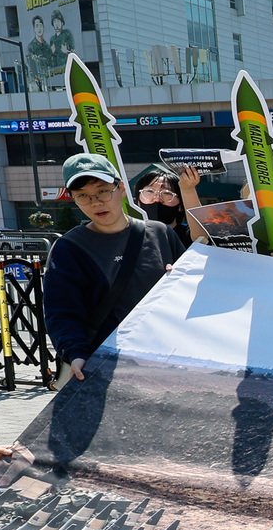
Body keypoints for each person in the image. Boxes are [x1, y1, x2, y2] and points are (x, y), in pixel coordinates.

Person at [43, 154, 184, 382]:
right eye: (83, 196)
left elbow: (192, 292)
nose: (96, 202)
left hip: (164, 361)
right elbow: (61, 312)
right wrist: (76, 353)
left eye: (102, 191)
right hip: (103, 366)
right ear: (73, 199)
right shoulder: (69, 248)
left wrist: (179, 281)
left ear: (120, 188)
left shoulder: (160, 234)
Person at [133, 168, 192, 248]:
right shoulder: (130, 235)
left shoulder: (188, 235)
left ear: (181, 205)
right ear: (138, 201)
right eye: (150, 191)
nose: (157, 199)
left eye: (166, 193)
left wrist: (189, 190)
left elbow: (201, 237)